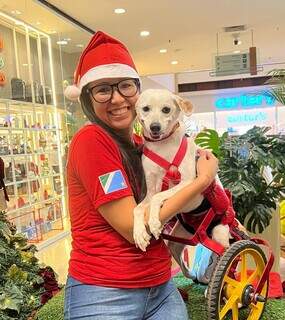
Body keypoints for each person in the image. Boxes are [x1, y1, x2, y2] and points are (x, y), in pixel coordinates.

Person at [63, 31, 218, 320]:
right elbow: (132, 226)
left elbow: (171, 213)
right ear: (86, 98)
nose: (117, 98)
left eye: (125, 87)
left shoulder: (142, 146)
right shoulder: (92, 141)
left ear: (137, 92)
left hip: (160, 286)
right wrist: (201, 181)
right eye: (102, 90)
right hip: (105, 292)